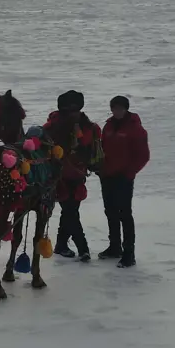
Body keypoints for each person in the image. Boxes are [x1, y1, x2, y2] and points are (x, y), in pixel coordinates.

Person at [43, 90, 103, 261]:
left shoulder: (90, 128)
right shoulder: (50, 128)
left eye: (75, 111)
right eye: (68, 111)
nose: (72, 115)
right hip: (58, 178)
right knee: (70, 212)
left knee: (70, 212)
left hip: (77, 177)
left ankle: (61, 245)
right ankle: (82, 247)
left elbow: (94, 153)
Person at [98, 96, 150, 267]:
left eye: (120, 108)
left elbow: (143, 155)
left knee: (124, 214)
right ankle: (115, 247)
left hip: (123, 178)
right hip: (107, 176)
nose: (117, 111)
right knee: (110, 212)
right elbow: (102, 148)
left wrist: (129, 173)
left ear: (126, 109)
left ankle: (129, 253)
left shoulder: (136, 129)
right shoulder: (108, 126)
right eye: (114, 108)